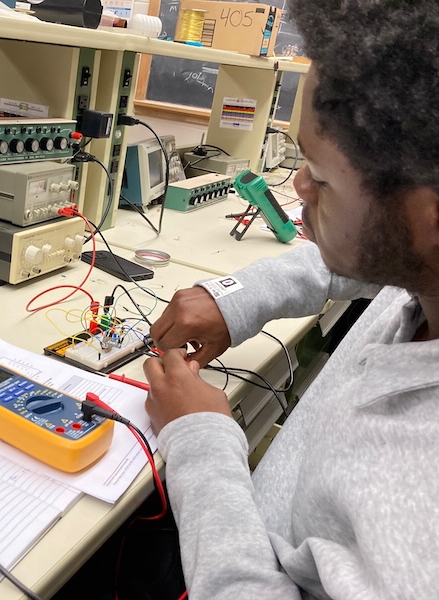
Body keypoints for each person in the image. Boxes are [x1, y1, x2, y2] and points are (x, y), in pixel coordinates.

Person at [142, 1, 439, 598]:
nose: (298, 186)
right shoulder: (423, 271)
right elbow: (368, 255)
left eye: (321, 177)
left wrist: (202, 439)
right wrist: (235, 296)